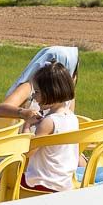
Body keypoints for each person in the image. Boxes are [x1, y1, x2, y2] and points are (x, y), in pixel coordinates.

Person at [21, 62, 80, 192]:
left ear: (50, 92)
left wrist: (27, 125)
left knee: (2, 182)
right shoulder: (72, 118)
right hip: (64, 183)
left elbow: (26, 152)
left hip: (42, 183)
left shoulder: (49, 122)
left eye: (37, 92)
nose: (35, 98)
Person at [0, 46, 79, 129]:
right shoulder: (30, 87)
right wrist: (24, 113)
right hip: (27, 137)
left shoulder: (66, 96)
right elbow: (1, 109)